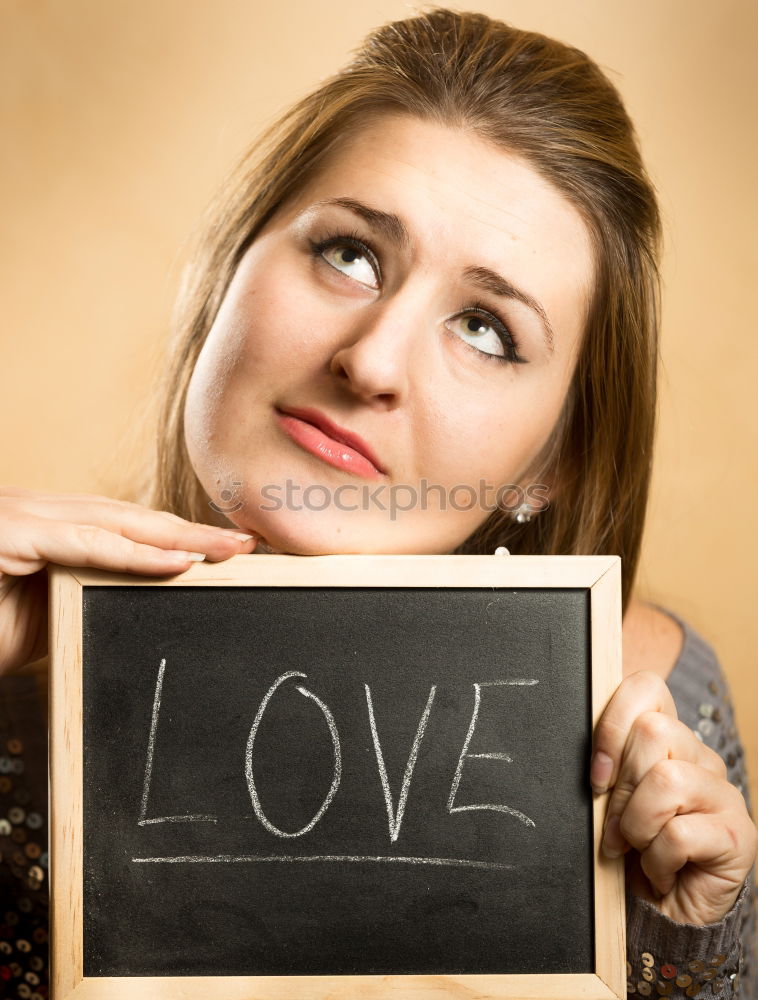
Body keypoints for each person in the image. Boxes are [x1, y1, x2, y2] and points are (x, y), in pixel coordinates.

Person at [0, 7, 755, 997]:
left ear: (550, 465)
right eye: (349, 253)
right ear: (228, 266)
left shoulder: (651, 713)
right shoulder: (20, 652)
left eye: (485, 329)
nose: (369, 361)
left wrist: (685, 939)